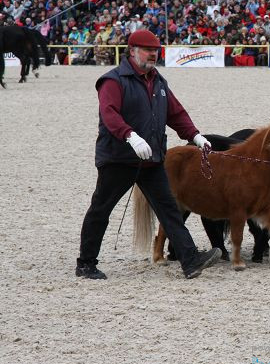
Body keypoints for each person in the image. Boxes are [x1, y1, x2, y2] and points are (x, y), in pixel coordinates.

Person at [77, 29, 221, 280]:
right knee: (101, 209)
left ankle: (189, 260)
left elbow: (175, 113)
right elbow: (110, 114)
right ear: (132, 52)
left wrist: (195, 136)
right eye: (148, 50)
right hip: (118, 159)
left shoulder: (158, 82)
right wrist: (130, 136)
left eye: (156, 50)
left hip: (151, 160)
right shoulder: (112, 81)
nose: (153, 54)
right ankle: (86, 263)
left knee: (169, 209)